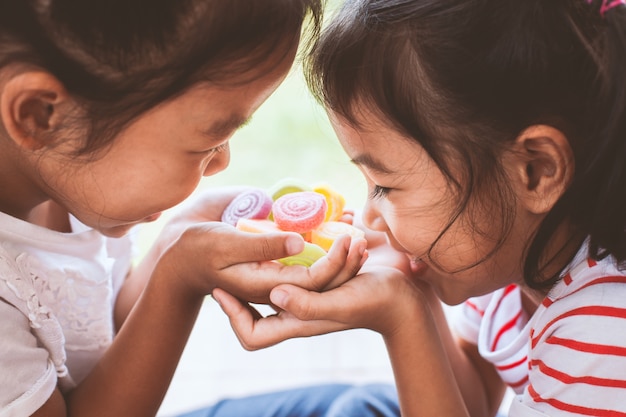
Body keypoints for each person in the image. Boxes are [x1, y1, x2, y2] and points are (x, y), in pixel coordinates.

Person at [212, 0, 626, 416]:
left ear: (535, 171)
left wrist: (401, 319)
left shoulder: (603, 336)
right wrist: (414, 294)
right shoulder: (516, 249)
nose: (369, 217)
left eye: (387, 187)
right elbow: (472, 404)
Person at [0, 1, 402, 416]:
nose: (222, 161)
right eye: (208, 141)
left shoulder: (69, 180)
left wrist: (175, 240)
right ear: (40, 115)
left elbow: (101, 332)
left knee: (372, 406)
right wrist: (179, 280)